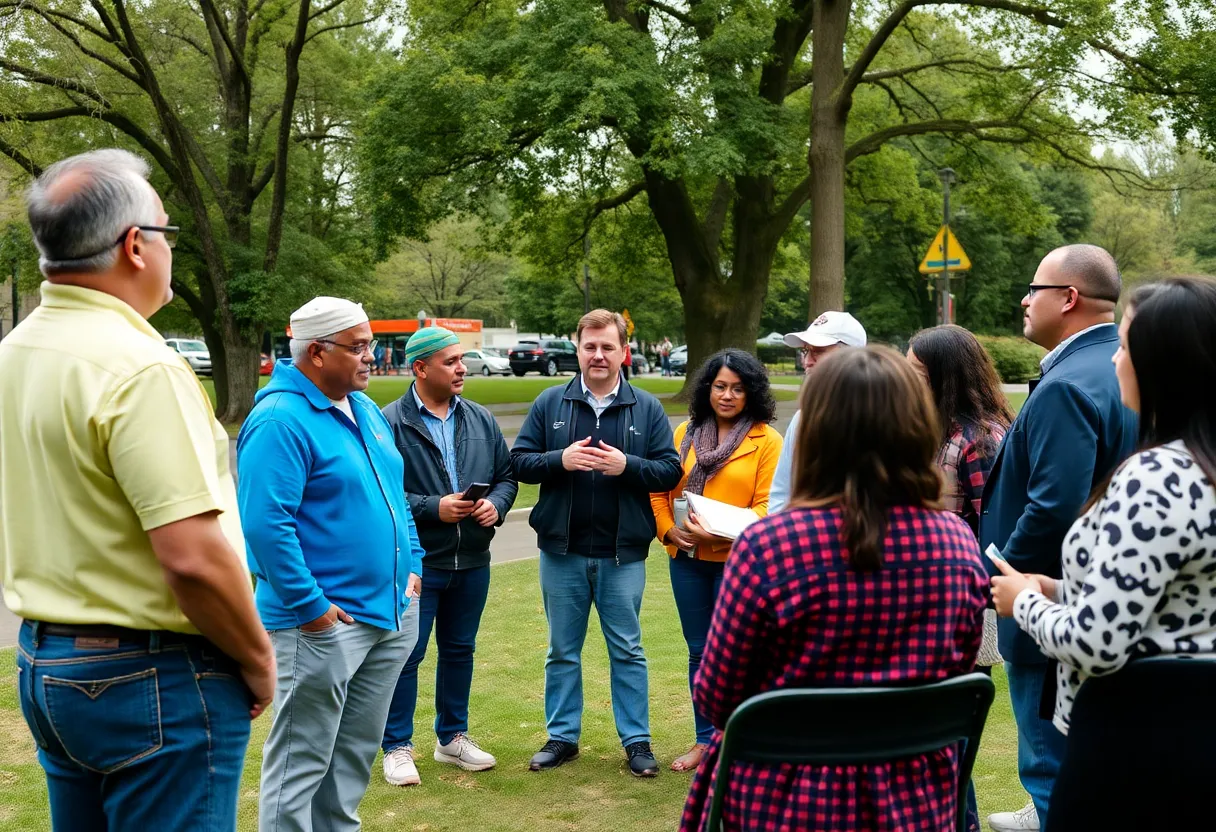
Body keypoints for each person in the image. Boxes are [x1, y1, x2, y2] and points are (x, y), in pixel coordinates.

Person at [1, 149, 274, 830]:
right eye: (167, 233)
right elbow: (190, 556)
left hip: (46, 661)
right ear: (135, 246)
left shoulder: (17, 351)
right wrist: (258, 655)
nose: (171, 249)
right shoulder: (141, 366)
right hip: (154, 677)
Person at [679, 346, 989, 832]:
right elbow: (958, 675)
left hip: (782, 798)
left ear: (818, 430)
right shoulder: (957, 546)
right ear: (916, 425)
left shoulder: (769, 548)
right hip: (916, 802)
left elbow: (718, 695)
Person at [991, 277, 1216, 829]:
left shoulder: (1154, 477)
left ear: (1162, 362)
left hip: (1134, 743)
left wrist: (1024, 600)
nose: (1114, 360)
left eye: (1124, 344)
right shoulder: (1202, 466)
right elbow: (1179, 598)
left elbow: (1097, 644)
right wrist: (1063, 590)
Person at [238, 297, 423, 832]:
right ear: (317, 353)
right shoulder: (279, 419)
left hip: (389, 613)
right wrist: (312, 608)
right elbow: (266, 527)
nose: (372, 356)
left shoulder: (361, 406)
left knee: (353, 756)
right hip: (321, 627)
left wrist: (412, 560)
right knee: (301, 763)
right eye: (360, 346)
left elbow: (395, 492)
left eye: (370, 344)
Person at [980, 244, 1137, 832]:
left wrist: (1004, 576)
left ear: (1068, 298)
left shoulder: (1068, 383)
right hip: (1112, 595)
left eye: (1034, 288)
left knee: (1050, 767)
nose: (1024, 299)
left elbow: (1053, 507)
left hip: (1048, 603)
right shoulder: (1121, 365)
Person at [511, 309, 683, 777]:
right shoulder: (551, 402)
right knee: (562, 650)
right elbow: (519, 462)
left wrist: (627, 465)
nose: (599, 355)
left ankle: (637, 740)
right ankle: (562, 736)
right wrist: (559, 459)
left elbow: (670, 470)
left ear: (623, 351)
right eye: (590, 346)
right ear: (578, 349)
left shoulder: (645, 407)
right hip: (561, 551)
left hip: (622, 554)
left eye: (608, 346)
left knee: (627, 649)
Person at [379, 327, 519, 786]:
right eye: (451, 361)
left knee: (460, 651)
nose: (462, 368)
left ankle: (451, 738)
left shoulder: (479, 418)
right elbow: (380, 493)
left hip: (474, 560)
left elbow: (507, 476)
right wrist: (431, 508)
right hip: (419, 563)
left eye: (462, 360)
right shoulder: (388, 422)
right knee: (407, 653)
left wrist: (495, 505)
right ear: (420, 369)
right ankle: (397, 746)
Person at [650, 349, 782, 773]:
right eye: (720, 386)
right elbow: (659, 491)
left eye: (738, 388)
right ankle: (706, 741)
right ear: (707, 389)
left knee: (743, 652)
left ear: (752, 393)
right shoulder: (683, 433)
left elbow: (767, 508)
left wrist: (721, 533)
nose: (727, 395)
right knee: (699, 651)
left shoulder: (766, 440)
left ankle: (744, 739)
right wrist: (668, 529)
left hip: (740, 564)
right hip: (686, 558)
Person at [908, 324, 1014, 832]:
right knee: (926, 741)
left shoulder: (980, 438)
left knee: (952, 742)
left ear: (946, 375)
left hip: (965, 604)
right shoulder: (930, 429)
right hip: (922, 601)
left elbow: (993, 526)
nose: (908, 379)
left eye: (918, 371)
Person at [768, 310, 867, 513]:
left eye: (818, 351)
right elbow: (782, 493)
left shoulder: (881, 418)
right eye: (806, 351)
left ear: (852, 355)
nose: (807, 361)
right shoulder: (802, 418)